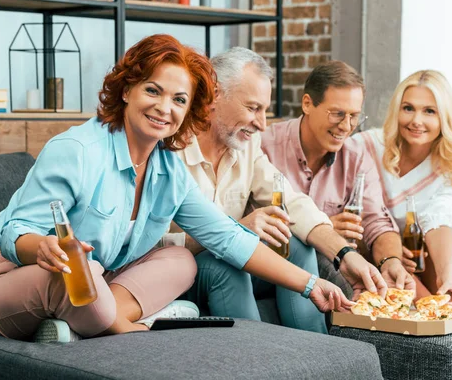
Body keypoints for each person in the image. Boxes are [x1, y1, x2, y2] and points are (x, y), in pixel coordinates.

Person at [0, 35, 351, 343]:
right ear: (127, 89)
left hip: (97, 281)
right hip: (9, 279)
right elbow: (15, 232)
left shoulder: (167, 169)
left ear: (191, 110)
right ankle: (129, 326)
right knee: (75, 279)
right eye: (153, 91)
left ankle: (74, 328)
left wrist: (311, 283)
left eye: (179, 99)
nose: (165, 107)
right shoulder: (76, 150)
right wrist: (42, 246)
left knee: (181, 263)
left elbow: (229, 237)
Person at [165, 47, 387, 334]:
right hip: (185, 269)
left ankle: (316, 358)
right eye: (253, 108)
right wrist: (237, 228)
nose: (262, 123)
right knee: (226, 267)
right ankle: (261, 363)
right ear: (214, 95)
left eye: (264, 110)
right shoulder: (169, 148)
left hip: (234, 254)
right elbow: (151, 245)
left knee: (297, 244)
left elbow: (293, 202)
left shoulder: (246, 146)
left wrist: (344, 254)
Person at [261, 61, 415, 295]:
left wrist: (391, 261)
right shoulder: (265, 148)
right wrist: (325, 226)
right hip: (274, 263)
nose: (346, 126)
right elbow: (253, 224)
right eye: (338, 114)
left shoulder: (356, 155)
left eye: (354, 116)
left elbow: (377, 221)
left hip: (334, 262)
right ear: (307, 104)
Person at [353, 70, 452, 305]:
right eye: (408, 108)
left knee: (450, 246)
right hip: (369, 249)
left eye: (429, 111)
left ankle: (447, 301)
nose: (416, 121)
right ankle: (435, 321)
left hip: (418, 255)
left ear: (444, 117)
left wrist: (447, 276)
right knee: (424, 305)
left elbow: (441, 218)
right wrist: (392, 254)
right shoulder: (368, 146)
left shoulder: (448, 165)